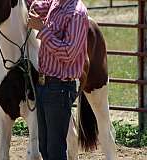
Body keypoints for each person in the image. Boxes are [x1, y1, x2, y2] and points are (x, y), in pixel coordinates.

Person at [27, 0, 89, 159]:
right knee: (45, 147)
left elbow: (68, 53)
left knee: (55, 149)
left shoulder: (77, 13)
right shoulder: (56, 2)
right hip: (45, 85)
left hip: (59, 87)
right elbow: (40, 5)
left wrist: (41, 28)